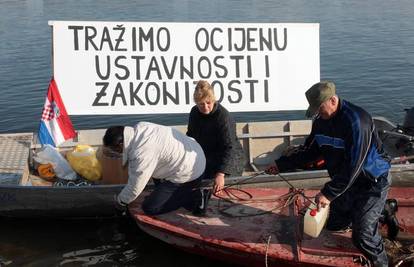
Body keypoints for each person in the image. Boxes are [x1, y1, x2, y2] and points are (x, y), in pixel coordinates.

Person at [266, 81, 391, 267]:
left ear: (333, 100)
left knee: (363, 236)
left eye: (320, 109)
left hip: (371, 182)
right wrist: (281, 164)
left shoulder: (357, 121)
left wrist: (329, 193)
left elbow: (354, 165)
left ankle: (381, 262)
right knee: (334, 224)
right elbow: (309, 152)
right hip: (344, 182)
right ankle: (380, 213)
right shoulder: (320, 123)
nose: (318, 114)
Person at [103, 121, 209, 216]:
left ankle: (197, 197)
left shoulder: (141, 152)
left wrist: (121, 201)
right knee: (152, 175)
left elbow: (135, 186)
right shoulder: (141, 127)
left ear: (121, 144)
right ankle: (178, 195)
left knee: (150, 208)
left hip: (191, 171)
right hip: (194, 153)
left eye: (114, 149)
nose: (115, 152)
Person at [187, 80, 246, 195]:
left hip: (230, 159)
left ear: (213, 100)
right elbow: (190, 136)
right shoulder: (194, 112)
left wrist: (220, 174)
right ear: (196, 103)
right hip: (208, 155)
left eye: (208, 102)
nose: (205, 107)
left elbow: (230, 147)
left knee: (210, 184)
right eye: (201, 104)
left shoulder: (223, 116)